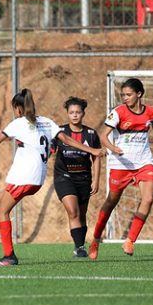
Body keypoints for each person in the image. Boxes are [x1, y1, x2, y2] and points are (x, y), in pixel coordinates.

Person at [0, 89, 102, 266]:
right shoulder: (46, 121)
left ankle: (9, 256)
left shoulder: (18, 123)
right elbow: (67, 139)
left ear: (17, 109)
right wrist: (92, 150)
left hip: (23, 176)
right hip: (37, 178)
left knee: (2, 211)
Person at [88, 78, 153, 260]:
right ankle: (95, 239)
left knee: (148, 199)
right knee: (111, 202)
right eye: (123, 94)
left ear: (139, 94)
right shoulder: (118, 113)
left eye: (128, 94)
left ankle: (130, 240)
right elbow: (103, 136)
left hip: (144, 162)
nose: (125, 98)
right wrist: (113, 147)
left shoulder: (150, 112)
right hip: (121, 164)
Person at [52, 96, 102, 258]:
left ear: (83, 114)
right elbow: (50, 150)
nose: (75, 115)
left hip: (84, 178)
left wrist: (96, 179)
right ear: (67, 114)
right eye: (71, 112)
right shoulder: (59, 132)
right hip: (64, 177)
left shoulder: (91, 134)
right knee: (73, 212)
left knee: (81, 213)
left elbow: (96, 156)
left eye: (78, 112)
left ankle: (78, 245)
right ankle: (80, 248)